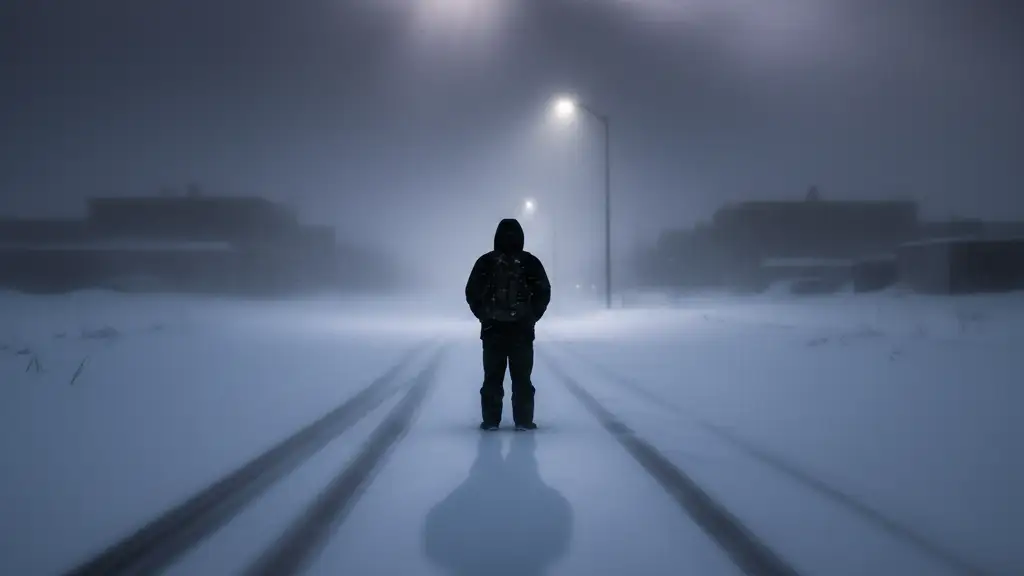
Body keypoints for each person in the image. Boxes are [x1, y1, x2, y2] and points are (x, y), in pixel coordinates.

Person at [465, 218, 551, 431]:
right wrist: (531, 317)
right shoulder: (530, 262)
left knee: (492, 379)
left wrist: (484, 316)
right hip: (522, 331)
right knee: (522, 379)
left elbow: (471, 292)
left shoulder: (486, 262)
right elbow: (543, 292)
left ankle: (491, 421)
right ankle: (523, 421)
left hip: (492, 330)